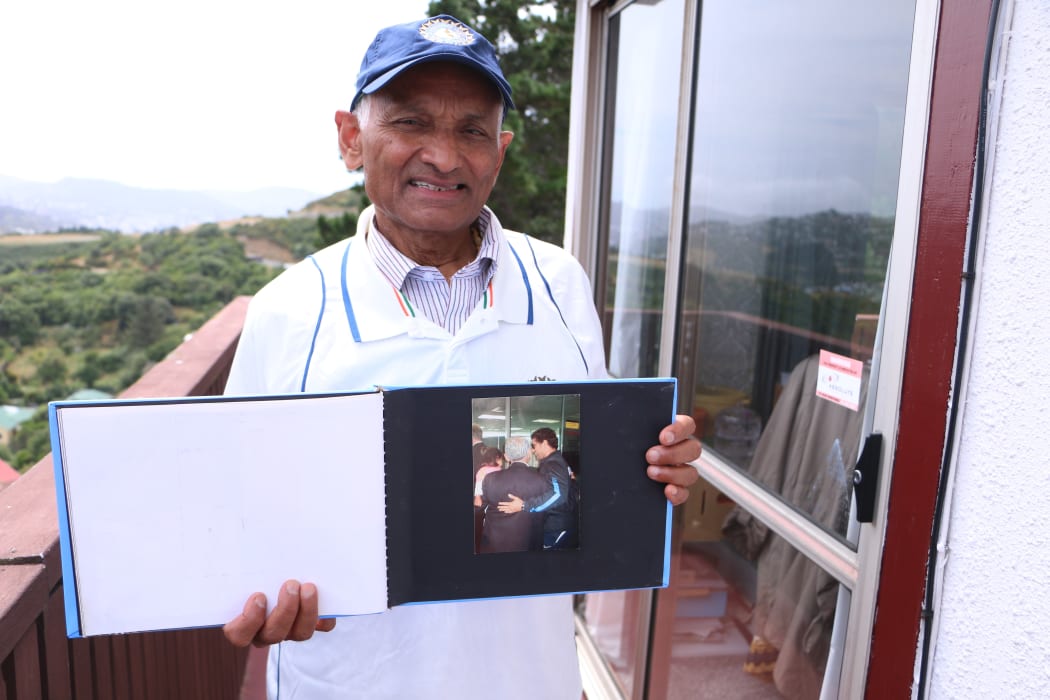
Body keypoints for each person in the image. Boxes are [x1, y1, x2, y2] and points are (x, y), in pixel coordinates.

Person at [221, 13, 699, 699]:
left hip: (531, 682)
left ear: (499, 152)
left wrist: (652, 467)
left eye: (471, 129)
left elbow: (590, 470)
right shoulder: (290, 311)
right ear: (352, 139)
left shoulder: (561, 283)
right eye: (411, 122)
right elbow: (239, 513)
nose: (444, 156)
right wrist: (261, 598)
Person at [499, 427, 577, 549]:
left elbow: (558, 495)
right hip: (560, 521)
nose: (533, 451)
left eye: (534, 445)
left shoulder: (553, 464)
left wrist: (525, 505)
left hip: (556, 526)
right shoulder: (557, 461)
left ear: (545, 443)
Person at [479, 437, 548, 553]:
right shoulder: (542, 480)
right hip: (528, 542)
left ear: (506, 457)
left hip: (494, 542)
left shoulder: (490, 479)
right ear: (528, 454)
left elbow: (481, 506)